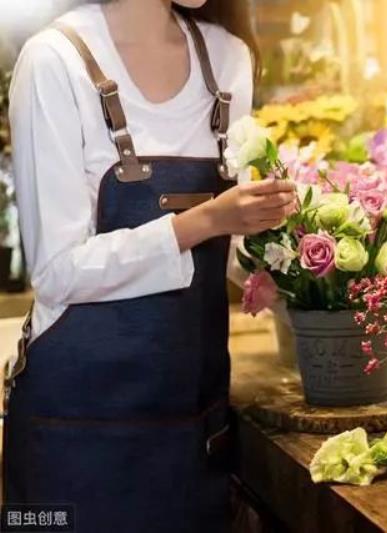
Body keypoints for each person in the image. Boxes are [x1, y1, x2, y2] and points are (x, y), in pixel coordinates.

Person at [4, 1, 296, 531]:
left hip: (192, 420)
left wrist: (279, 261)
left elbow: (227, 254)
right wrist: (204, 221)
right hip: (73, 430)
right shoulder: (54, 60)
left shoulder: (228, 59)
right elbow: (57, 272)